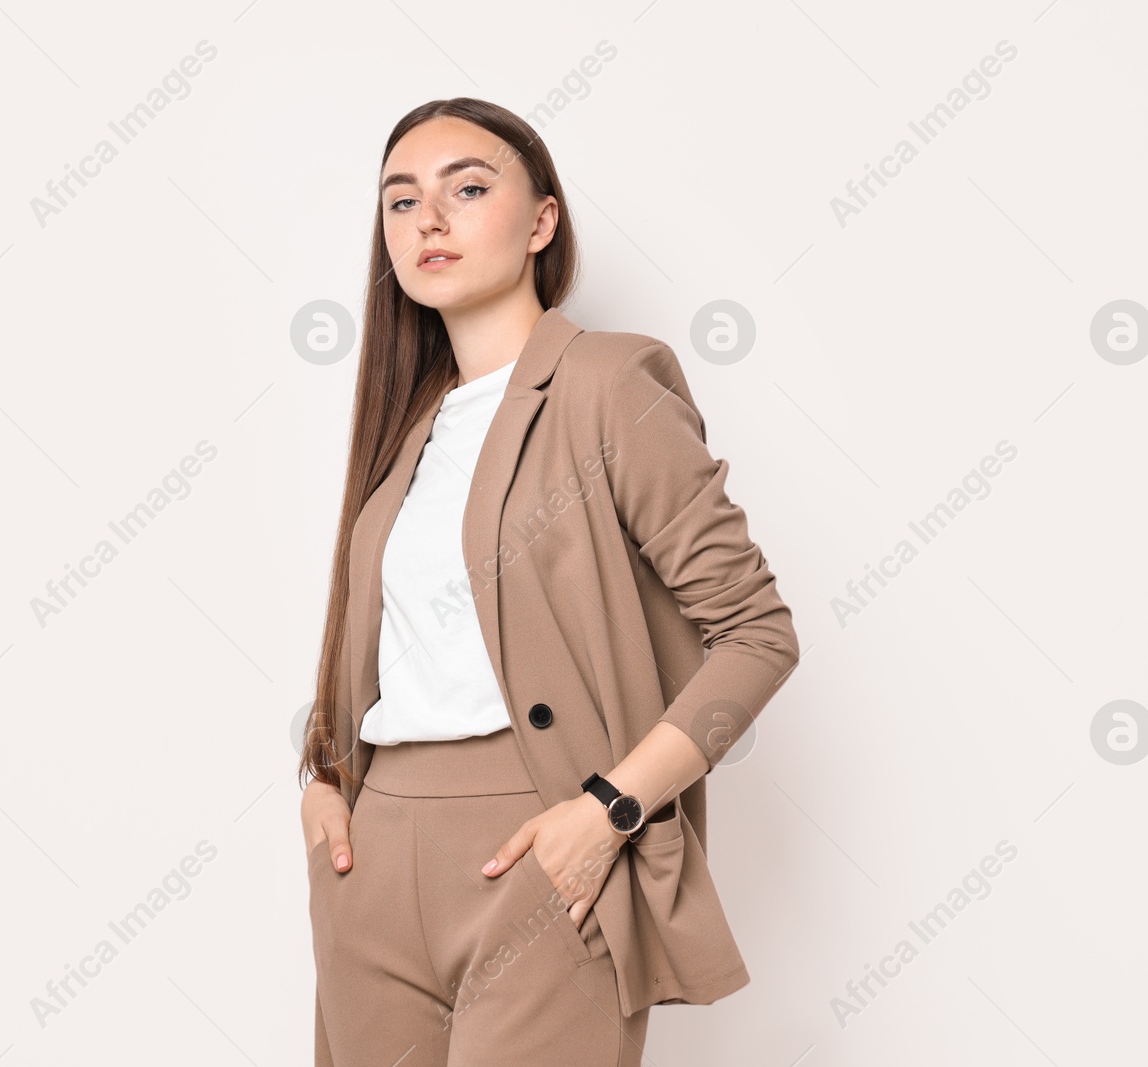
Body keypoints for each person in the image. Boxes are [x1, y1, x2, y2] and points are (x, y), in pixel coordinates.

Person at [298, 96, 799, 1067]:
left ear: (540, 221)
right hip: (373, 850)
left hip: (538, 841)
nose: (427, 220)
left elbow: (757, 632)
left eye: (467, 188)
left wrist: (610, 808)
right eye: (399, 202)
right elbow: (376, 649)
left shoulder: (606, 384)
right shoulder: (405, 430)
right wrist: (322, 778)